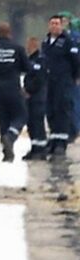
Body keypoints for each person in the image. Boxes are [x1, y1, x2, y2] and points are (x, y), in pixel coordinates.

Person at [0, 23, 27, 162]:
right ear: (10, 33)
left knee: (3, 119)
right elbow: (27, 68)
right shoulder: (18, 48)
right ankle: (10, 137)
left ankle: (7, 152)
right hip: (13, 88)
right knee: (21, 116)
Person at [44, 14, 79, 160]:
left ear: (61, 26)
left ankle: (61, 143)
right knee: (51, 111)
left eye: (57, 23)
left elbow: (76, 61)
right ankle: (53, 139)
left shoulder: (68, 41)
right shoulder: (46, 42)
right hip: (49, 82)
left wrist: (76, 77)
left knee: (62, 111)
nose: (54, 26)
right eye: (52, 23)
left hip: (64, 82)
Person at [24, 36, 50, 161]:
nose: (27, 47)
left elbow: (39, 79)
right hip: (29, 97)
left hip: (38, 96)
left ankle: (42, 149)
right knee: (31, 123)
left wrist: (29, 90)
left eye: (29, 44)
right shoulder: (29, 60)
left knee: (38, 122)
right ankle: (34, 147)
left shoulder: (40, 60)